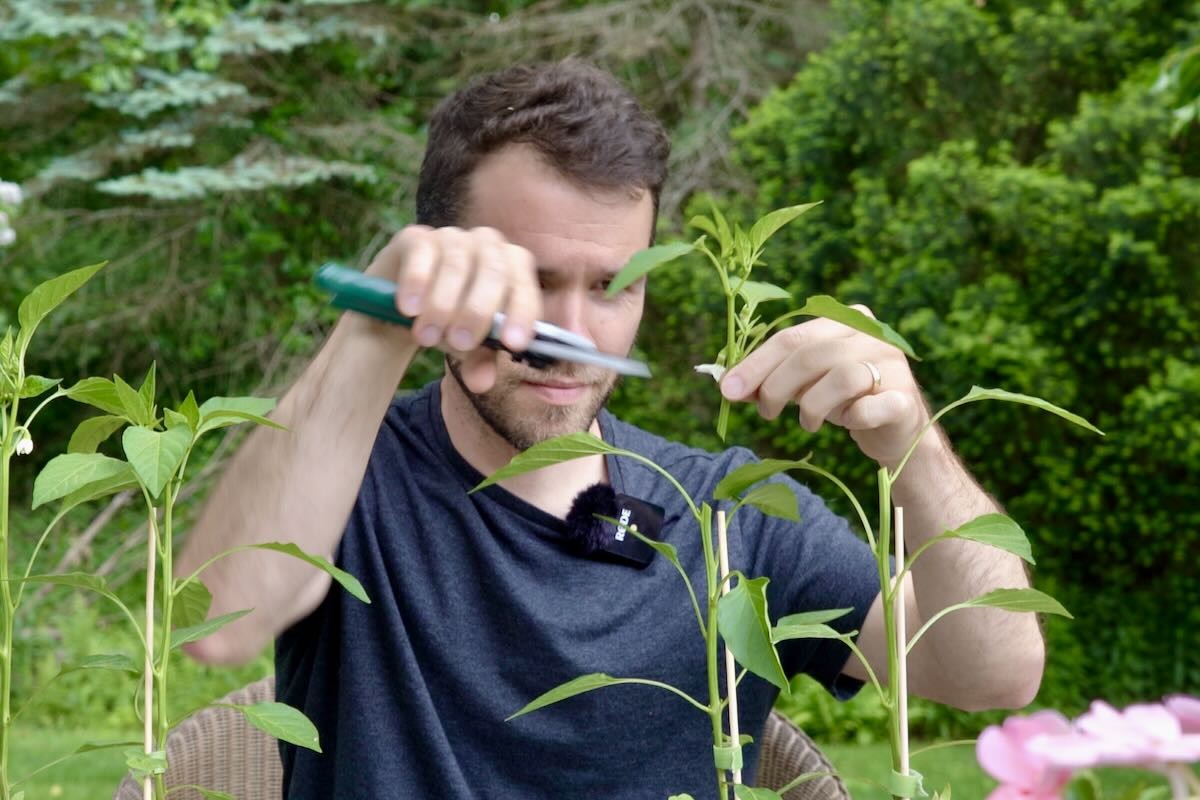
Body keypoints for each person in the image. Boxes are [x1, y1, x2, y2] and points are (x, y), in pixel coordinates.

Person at [178, 59, 1045, 799]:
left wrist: (912, 445)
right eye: (531, 279)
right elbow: (218, 621)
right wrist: (377, 325)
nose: (570, 334)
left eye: (611, 287)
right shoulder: (345, 473)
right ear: (445, 262)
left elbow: (995, 673)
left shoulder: (726, 514)